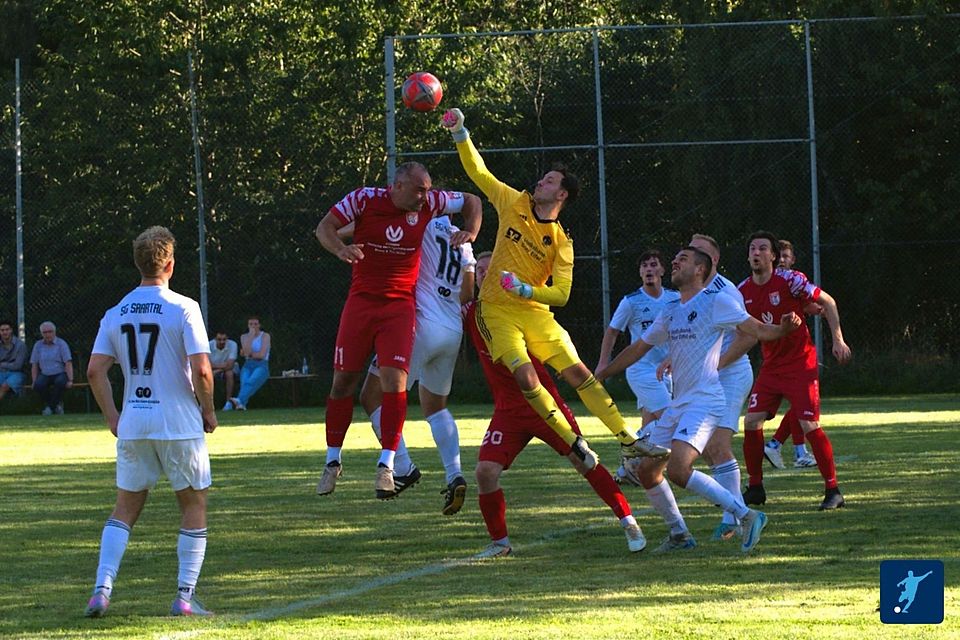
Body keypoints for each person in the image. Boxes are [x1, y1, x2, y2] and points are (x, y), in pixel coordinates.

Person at [441, 108, 668, 468]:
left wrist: (526, 290)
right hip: (496, 312)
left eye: (548, 181)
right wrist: (460, 132)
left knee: (580, 374)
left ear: (561, 194)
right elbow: (479, 172)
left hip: (533, 312)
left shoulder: (561, 242)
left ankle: (628, 440)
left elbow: (561, 294)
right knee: (525, 374)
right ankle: (573, 441)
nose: (540, 183)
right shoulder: (515, 203)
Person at [597, 247, 802, 554]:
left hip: (705, 401)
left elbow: (756, 329)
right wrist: (600, 374)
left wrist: (784, 328)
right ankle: (680, 534)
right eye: (676, 257)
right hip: (680, 403)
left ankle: (748, 516)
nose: (675, 262)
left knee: (679, 470)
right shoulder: (670, 309)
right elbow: (638, 347)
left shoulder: (715, 301)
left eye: (683, 259)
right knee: (646, 471)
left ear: (699, 271)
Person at [315, 162, 482, 500]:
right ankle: (334, 460)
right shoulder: (364, 199)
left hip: (404, 310)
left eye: (428, 190)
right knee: (345, 383)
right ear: (398, 185)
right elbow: (326, 227)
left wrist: (472, 230)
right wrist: (341, 248)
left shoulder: (430, 205)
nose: (426, 196)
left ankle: (390, 465)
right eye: (419, 190)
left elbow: (470, 200)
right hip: (382, 308)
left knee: (390, 386)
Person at [466, 252, 647, 557]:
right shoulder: (472, 312)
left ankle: (628, 521)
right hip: (508, 412)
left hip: (544, 406)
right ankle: (500, 544)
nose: (484, 275)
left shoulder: (523, 307)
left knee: (584, 460)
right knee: (485, 471)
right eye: (479, 271)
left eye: (490, 270)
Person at [84, 226, 217, 618]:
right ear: (171, 264)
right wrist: (208, 411)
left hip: (134, 424)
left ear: (138, 264)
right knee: (193, 505)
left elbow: (95, 371)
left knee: (124, 508)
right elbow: (203, 369)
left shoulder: (117, 311)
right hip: (178, 422)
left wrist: (113, 417)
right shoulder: (184, 307)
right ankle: (184, 597)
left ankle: (101, 590)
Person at [736, 231, 852, 510]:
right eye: (752, 248)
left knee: (809, 424)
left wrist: (838, 339)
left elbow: (828, 302)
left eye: (763, 248)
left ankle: (833, 490)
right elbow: (740, 331)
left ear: (774, 256)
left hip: (801, 364)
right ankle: (755, 488)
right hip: (771, 367)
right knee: (751, 421)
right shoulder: (741, 291)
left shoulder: (790, 280)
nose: (756, 253)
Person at [597, 250, 680, 428]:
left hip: (666, 372)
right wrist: (603, 364)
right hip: (641, 371)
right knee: (670, 421)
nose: (649, 269)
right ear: (640, 272)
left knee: (651, 430)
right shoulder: (631, 302)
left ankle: (634, 454)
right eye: (644, 266)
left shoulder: (675, 299)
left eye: (653, 265)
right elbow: (612, 332)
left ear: (663, 271)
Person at [761, 239, 817, 469]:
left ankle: (779, 445)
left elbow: (811, 303)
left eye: (786, 256)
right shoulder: (765, 282)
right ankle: (796, 451)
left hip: (797, 352)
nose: (782, 260)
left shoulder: (795, 280)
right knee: (798, 406)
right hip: (777, 356)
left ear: (792, 260)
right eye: (779, 255)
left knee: (799, 405)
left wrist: (814, 307)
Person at [30, 321, 74, 415]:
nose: (47, 334)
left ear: (54, 332)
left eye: (50, 332)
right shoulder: (38, 345)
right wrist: (34, 381)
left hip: (60, 372)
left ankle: (49, 408)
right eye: (45, 332)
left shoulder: (62, 344)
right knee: (38, 385)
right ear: (41, 334)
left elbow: (68, 362)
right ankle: (56, 405)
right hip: (45, 373)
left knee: (60, 382)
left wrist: (70, 380)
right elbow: (34, 364)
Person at [227, 317, 271, 411]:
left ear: (259, 325)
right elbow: (246, 353)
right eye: (250, 324)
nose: (253, 326)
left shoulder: (265, 336)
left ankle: (235, 402)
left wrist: (249, 354)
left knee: (251, 381)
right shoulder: (244, 337)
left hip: (261, 365)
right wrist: (251, 337)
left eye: (255, 324)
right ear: (248, 325)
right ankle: (241, 404)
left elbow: (261, 355)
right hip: (248, 365)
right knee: (244, 382)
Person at [209, 331, 240, 410]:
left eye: (224, 339)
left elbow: (230, 365)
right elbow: (208, 365)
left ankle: (228, 403)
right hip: (213, 369)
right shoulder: (209, 345)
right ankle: (207, 403)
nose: (222, 342)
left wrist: (217, 370)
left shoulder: (233, 345)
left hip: (230, 369)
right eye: (219, 339)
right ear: (215, 339)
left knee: (229, 373)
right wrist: (222, 366)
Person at [0, 319, 28, 401]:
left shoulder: (21, 345)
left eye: (7, 330)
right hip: (1, 372)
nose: (5, 332)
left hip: (18, 373)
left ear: (11, 330)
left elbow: (18, 366)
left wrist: (2, 364)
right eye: (2, 330)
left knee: (5, 386)